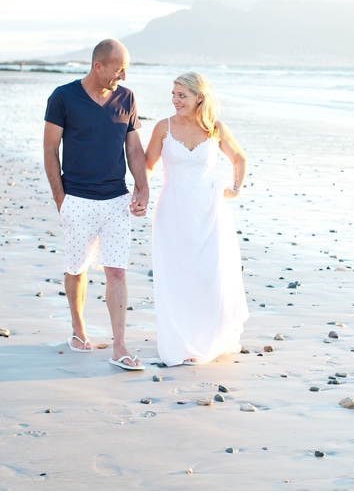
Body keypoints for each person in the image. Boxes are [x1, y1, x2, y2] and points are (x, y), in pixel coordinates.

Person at [43, 39, 149, 370]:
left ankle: (119, 346)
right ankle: (78, 330)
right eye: (119, 69)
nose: (124, 75)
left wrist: (142, 187)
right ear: (98, 66)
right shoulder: (63, 97)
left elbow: (133, 148)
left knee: (117, 271)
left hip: (116, 200)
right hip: (77, 199)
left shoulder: (126, 97)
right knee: (77, 268)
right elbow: (50, 151)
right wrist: (62, 199)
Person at [144, 72, 249, 366]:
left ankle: (208, 339)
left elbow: (239, 158)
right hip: (172, 210)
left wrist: (234, 189)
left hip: (209, 210)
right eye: (174, 94)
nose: (176, 100)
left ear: (199, 97)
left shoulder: (215, 128)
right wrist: (142, 192)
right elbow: (147, 164)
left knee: (208, 274)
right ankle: (181, 342)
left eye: (182, 95)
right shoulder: (163, 127)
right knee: (176, 275)